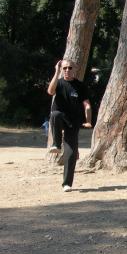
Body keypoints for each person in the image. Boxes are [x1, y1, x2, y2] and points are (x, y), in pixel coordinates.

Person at [47, 59, 92, 192]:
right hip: (60, 118)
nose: (67, 70)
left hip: (73, 122)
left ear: (75, 69)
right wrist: (56, 71)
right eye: (65, 68)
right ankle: (55, 144)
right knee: (54, 114)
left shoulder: (80, 85)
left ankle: (67, 183)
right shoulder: (59, 83)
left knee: (71, 153)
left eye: (70, 68)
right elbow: (50, 91)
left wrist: (88, 120)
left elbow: (87, 104)